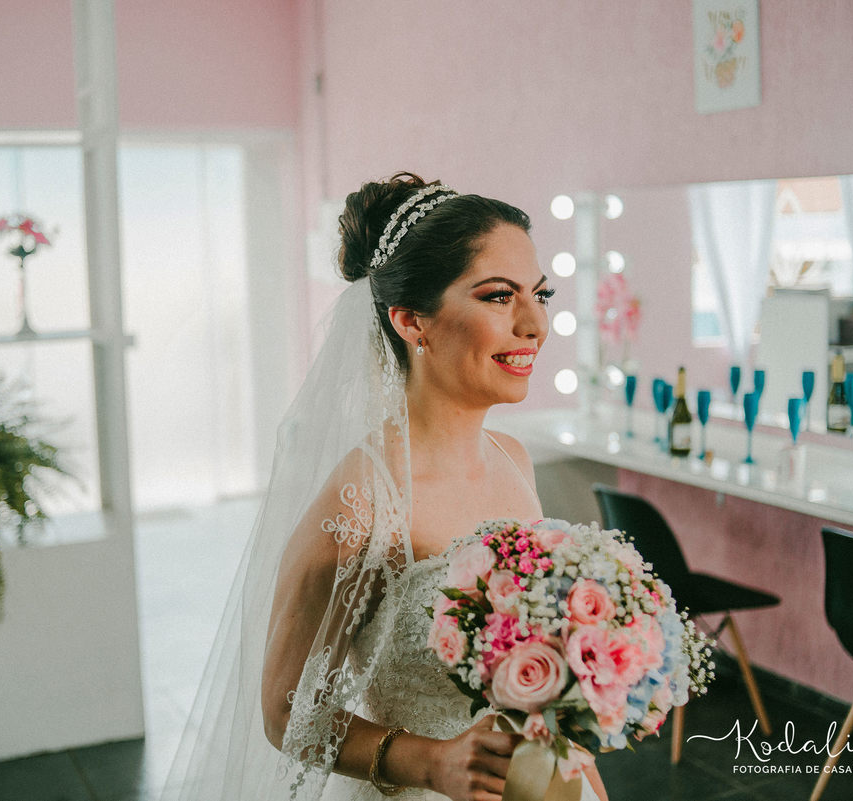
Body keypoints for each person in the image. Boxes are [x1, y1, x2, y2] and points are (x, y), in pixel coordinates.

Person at [162, 173, 610, 801]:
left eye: (541, 293)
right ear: (411, 322)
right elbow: (285, 710)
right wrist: (432, 764)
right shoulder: (364, 498)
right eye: (498, 297)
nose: (535, 324)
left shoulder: (513, 459)